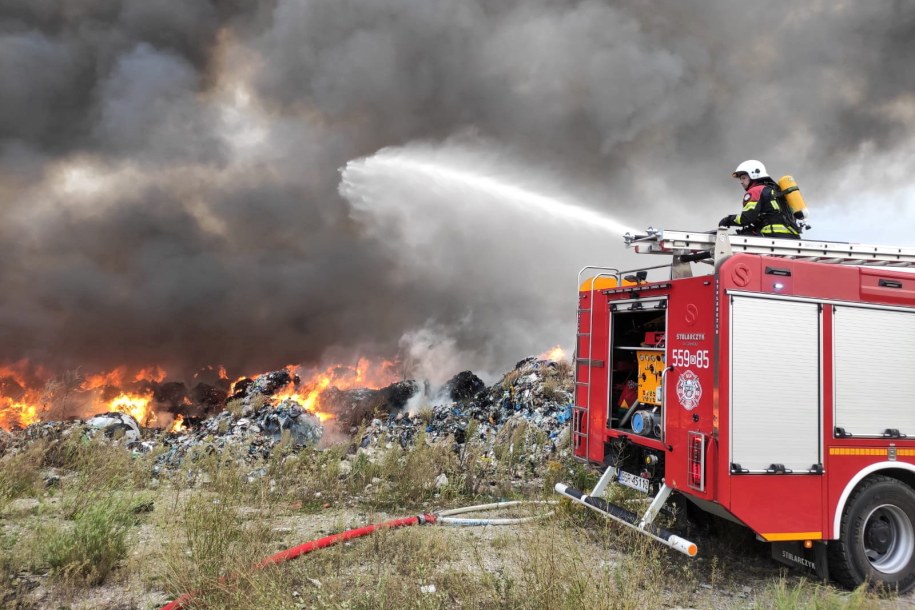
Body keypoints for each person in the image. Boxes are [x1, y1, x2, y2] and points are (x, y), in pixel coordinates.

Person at [719, 160, 800, 238]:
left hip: (773, 236)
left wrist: (727, 220)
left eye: (743, 178)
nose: (741, 182)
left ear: (753, 175)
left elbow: (746, 218)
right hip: (793, 236)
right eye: (740, 179)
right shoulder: (775, 190)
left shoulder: (755, 191)